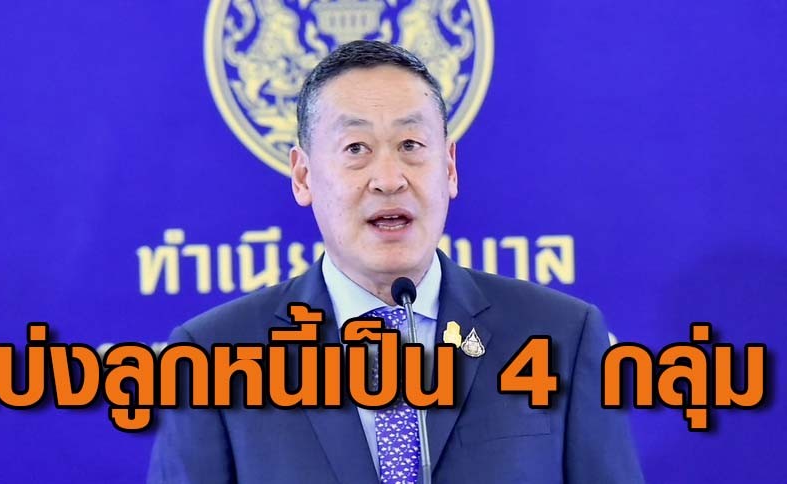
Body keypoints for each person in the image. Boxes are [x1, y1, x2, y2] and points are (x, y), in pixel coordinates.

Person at [148, 40, 644, 483]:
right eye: (356, 148)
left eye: (411, 145)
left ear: (449, 167)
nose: (389, 179)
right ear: (303, 176)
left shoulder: (562, 336)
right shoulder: (212, 358)